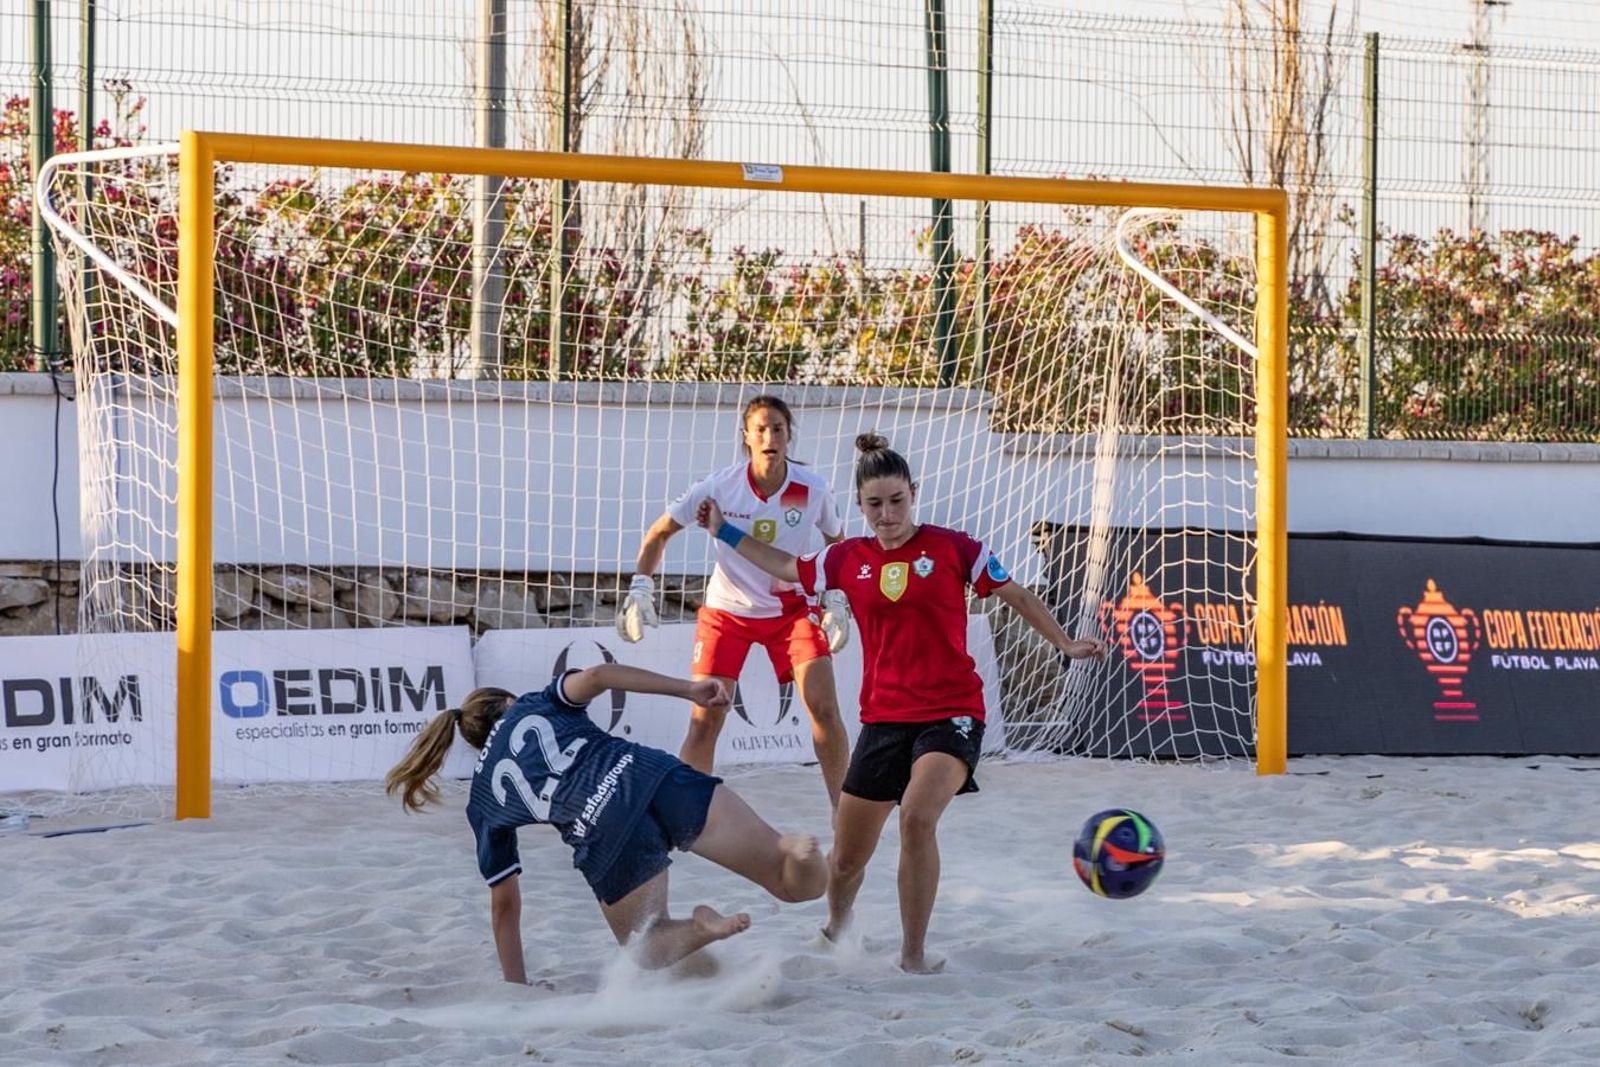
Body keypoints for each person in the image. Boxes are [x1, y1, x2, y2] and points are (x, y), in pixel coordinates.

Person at [695, 432, 1107, 974]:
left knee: (916, 819)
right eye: (874, 504)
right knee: (845, 860)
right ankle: (838, 930)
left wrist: (1067, 643)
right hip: (884, 718)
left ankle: (913, 956)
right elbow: (787, 567)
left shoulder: (956, 548)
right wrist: (723, 529)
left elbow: (1020, 596)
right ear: (860, 504)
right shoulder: (846, 558)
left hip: (953, 712)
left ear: (913, 493)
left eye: (897, 501)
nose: (886, 514)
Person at [385, 663, 829, 981]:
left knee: (648, 950)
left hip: (603, 828)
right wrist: (687, 690)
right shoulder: (534, 705)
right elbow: (598, 676)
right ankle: (792, 847)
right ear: (508, 702)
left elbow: (505, 906)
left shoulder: (482, 799)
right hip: (650, 775)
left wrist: (516, 984)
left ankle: (702, 928)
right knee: (799, 887)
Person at [618, 394, 851, 810]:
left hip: (792, 611)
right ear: (746, 436)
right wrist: (640, 586)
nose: (769, 437)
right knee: (706, 717)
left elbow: (837, 541)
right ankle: (686, 817)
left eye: (777, 428)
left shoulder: (811, 489)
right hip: (728, 612)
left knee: (825, 709)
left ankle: (847, 812)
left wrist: (835, 596)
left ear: (788, 435)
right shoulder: (717, 487)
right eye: (760, 428)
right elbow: (659, 532)